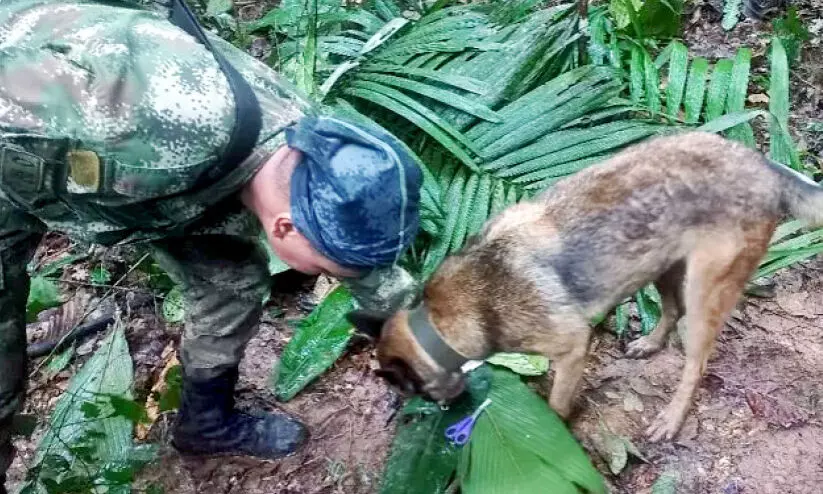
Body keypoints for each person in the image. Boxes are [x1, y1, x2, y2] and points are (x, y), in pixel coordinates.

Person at [0, 0, 422, 489]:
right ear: (284, 228)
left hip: (113, 160)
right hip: (22, 135)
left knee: (231, 278)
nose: (334, 278)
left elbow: (362, 258)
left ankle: (205, 424)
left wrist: (428, 340)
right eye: (329, 271)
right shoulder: (150, 144)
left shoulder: (312, 146)